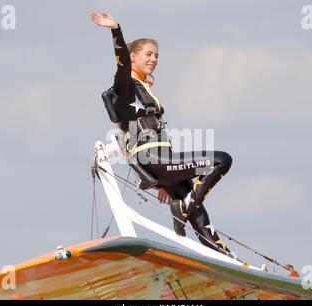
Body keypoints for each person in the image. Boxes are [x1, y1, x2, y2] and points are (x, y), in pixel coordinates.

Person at [90, 12, 234, 257]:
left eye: (156, 55)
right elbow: (122, 62)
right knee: (222, 160)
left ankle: (227, 260)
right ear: (133, 56)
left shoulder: (143, 88)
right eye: (148, 54)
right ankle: (183, 206)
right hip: (151, 157)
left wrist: (165, 180)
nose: (154, 59)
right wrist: (116, 30)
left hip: (163, 159)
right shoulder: (124, 87)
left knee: (199, 216)